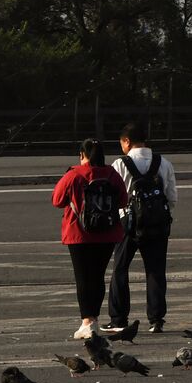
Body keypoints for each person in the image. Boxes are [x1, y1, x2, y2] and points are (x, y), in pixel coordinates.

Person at [103, 122, 177, 335]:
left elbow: (113, 195)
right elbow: (172, 197)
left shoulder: (119, 165)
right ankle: (156, 319)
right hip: (158, 226)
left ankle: (119, 318)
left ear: (126, 141)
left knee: (120, 269)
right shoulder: (164, 163)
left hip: (127, 225)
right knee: (155, 271)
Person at [51, 138, 127, 340]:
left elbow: (57, 200)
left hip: (79, 234)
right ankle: (93, 317)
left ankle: (87, 321)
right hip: (108, 233)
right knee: (98, 276)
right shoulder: (112, 174)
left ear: (82, 155)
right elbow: (123, 200)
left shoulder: (74, 174)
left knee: (83, 278)